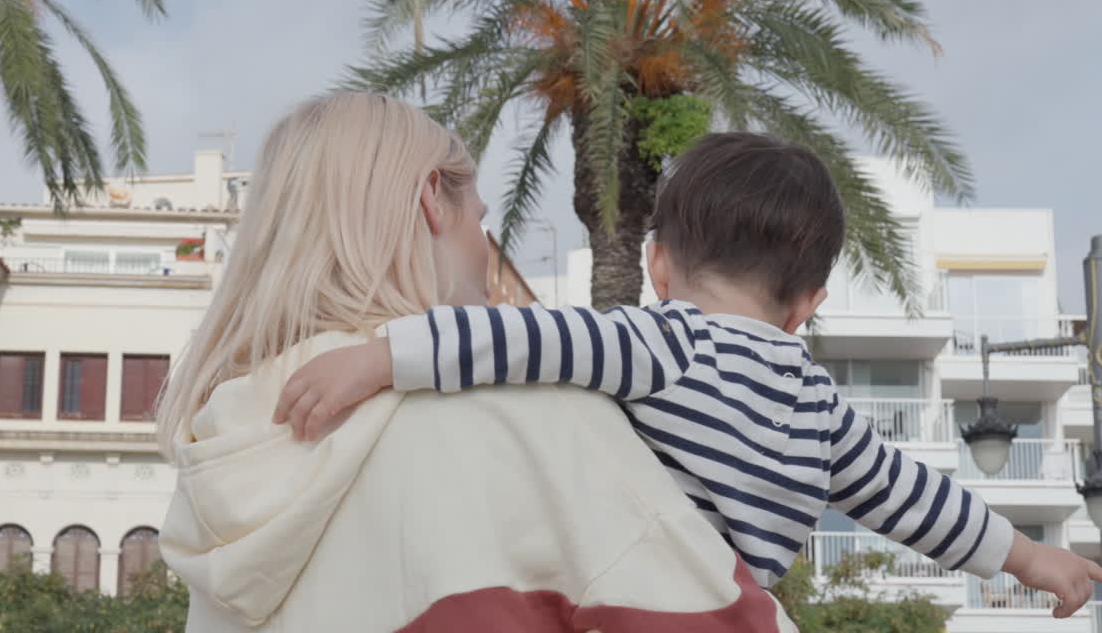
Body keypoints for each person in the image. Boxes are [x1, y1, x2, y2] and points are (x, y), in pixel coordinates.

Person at [275, 132, 1102, 619]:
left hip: (638, 603)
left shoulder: (662, 342)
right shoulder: (819, 403)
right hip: (738, 611)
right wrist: (1033, 560)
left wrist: (382, 357)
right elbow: (915, 499)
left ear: (658, 265)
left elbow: (520, 339)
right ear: (806, 303)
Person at [155, 95, 796, 632]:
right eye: (480, 221)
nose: (486, 256)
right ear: (433, 198)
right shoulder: (523, 413)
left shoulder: (230, 441)